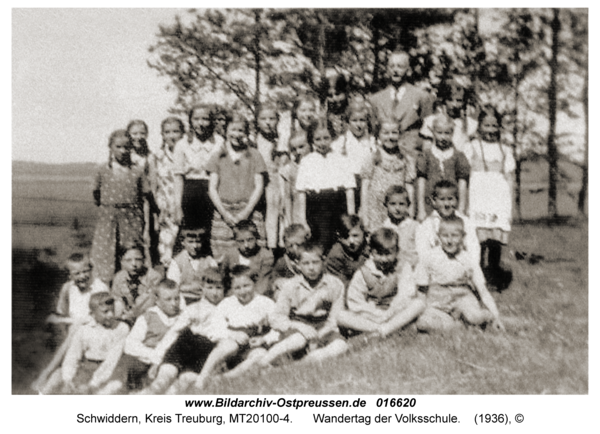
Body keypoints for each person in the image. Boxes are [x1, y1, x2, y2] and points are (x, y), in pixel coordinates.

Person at [261, 242, 348, 366]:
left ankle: (304, 363)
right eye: (306, 263)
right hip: (297, 327)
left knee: (341, 346)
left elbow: (335, 317)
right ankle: (264, 362)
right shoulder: (290, 286)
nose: (311, 268)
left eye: (315, 262)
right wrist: (299, 327)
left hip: (323, 327)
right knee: (298, 340)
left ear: (323, 261)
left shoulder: (334, 284)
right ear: (298, 265)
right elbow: (277, 318)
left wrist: (319, 335)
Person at [152, 267, 235, 393]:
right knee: (162, 380)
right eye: (210, 288)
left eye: (219, 288)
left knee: (179, 387)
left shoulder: (228, 309)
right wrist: (157, 360)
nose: (214, 293)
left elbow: (221, 335)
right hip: (183, 348)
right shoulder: (193, 309)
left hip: (203, 355)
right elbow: (174, 332)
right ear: (202, 288)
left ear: (225, 289)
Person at [415, 216, 504, 332]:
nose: (450, 241)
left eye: (455, 236)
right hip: (437, 302)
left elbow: (482, 290)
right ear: (438, 236)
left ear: (463, 237)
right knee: (423, 323)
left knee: (474, 317)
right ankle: (457, 325)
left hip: (463, 299)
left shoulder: (468, 259)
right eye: (445, 236)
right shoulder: (429, 257)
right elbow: (422, 289)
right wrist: (422, 309)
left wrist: (496, 315)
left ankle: (483, 318)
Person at [338, 228, 425, 337]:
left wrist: (391, 311)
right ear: (371, 252)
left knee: (418, 304)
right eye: (379, 254)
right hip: (371, 316)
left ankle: (386, 329)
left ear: (397, 251)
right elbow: (355, 301)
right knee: (341, 316)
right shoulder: (364, 272)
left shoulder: (402, 267)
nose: (384, 259)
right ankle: (383, 329)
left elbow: (406, 294)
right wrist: (376, 314)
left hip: (395, 312)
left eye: (388, 254)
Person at [464, 106, 515, 286]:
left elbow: (509, 178)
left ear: (499, 127)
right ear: (479, 127)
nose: (491, 130)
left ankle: (493, 272)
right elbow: (466, 175)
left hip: (497, 199)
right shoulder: (472, 147)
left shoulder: (505, 150)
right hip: (479, 198)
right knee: (478, 239)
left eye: (495, 126)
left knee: (494, 240)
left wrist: (508, 205)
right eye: (487, 126)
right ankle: (477, 275)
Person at [39, 292, 130, 395]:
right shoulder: (84, 329)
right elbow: (72, 355)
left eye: (112, 310)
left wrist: (93, 384)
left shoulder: (121, 328)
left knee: (110, 389)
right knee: (57, 376)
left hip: (111, 373)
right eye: (105, 312)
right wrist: (67, 379)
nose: (111, 315)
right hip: (87, 368)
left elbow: (112, 361)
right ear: (92, 314)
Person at [90, 129, 149, 283]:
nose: (123, 151)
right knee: (105, 255)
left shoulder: (137, 170)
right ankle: (104, 291)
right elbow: (96, 194)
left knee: (131, 254)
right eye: (119, 147)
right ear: (110, 147)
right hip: (108, 219)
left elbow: (145, 197)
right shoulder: (102, 170)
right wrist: (109, 208)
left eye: (127, 147)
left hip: (131, 220)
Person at [206, 112, 267, 258]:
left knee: (252, 251)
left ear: (246, 133)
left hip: (249, 210)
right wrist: (225, 214)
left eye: (241, 130)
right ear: (225, 131)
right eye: (233, 130)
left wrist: (246, 213)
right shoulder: (218, 156)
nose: (237, 134)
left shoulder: (254, 155)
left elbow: (259, 186)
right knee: (223, 255)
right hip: (224, 212)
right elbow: (212, 189)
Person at [295, 117, 356, 253]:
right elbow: (301, 193)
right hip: (316, 209)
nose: (322, 143)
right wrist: (303, 220)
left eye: (326, 138)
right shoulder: (306, 161)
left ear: (332, 137)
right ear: (311, 140)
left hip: (338, 206)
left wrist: (351, 216)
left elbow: (350, 189)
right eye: (318, 139)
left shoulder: (341, 159)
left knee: (340, 244)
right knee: (320, 245)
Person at [120, 279, 183, 393]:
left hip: (172, 361)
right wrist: (152, 355)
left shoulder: (183, 317)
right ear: (157, 300)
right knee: (135, 366)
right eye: (168, 299)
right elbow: (130, 344)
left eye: (177, 298)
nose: (174, 303)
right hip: (148, 359)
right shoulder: (148, 317)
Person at [218, 265, 280, 378]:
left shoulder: (265, 303)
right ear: (231, 288)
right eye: (237, 288)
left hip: (254, 346)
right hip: (233, 347)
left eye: (246, 286)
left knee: (261, 355)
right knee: (224, 347)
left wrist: (264, 339)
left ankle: (228, 377)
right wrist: (232, 334)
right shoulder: (226, 304)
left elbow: (278, 328)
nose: (242, 291)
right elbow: (215, 327)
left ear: (254, 283)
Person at [369, 50, 434, 158]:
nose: (395, 70)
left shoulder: (421, 96)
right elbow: (373, 133)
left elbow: (428, 133)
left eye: (400, 66)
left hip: (411, 155)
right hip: (384, 156)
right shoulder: (375, 99)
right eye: (392, 66)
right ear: (387, 69)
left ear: (408, 70)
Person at [173, 104, 224, 232]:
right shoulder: (182, 144)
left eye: (205, 119)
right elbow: (178, 178)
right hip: (190, 195)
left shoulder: (220, 142)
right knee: (192, 235)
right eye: (196, 119)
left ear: (212, 121)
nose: (200, 123)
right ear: (190, 120)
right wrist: (178, 207)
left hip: (215, 192)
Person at [360, 116, 416, 229]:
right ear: (378, 134)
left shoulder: (405, 158)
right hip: (375, 210)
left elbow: (409, 187)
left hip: (398, 210)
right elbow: (365, 188)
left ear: (400, 134)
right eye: (385, 133)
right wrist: (365, 216)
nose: (390, 137)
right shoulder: (373, 157)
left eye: (394, 133)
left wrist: (411, 211)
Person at [416, 113, 470, 221]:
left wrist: (461, 208)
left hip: (451, 204)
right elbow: (421, 182)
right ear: (433, 132)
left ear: (452, 133)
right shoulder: (426, 155)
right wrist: (421, 209)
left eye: (447, 133)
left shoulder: (459, 156)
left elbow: (462, 183)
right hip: (430, 204)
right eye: (439, 133)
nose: (443, 137)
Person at [416, 180, 480, 265]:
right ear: (434, 201)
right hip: (435, 269)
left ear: (457, 200)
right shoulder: (426, 225)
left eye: (450, 199)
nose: (446, 204)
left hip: (461, 266)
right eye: (442, 199)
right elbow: (423, 256)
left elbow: (474, 252)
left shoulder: (465, 222)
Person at [149, 117, 185, 266]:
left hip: (184, 205)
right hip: (165, 209)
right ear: (162, 135)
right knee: (166, 250)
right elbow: (153, 186)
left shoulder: (187, 153)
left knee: (185, 248)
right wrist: (156, 213)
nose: (172, 136)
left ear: (183, 133)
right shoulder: (157, 156)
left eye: (176, 131)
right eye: (167, 132)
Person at [47, 253, 109, 329]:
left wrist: (64, 320)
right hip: (74, 330)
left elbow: (102, 318)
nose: (82, 276)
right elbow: (62, 312)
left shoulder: (99, 287)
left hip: (95, 329)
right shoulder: (67, 288)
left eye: (85, 271)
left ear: (91, 270)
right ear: (69, 276)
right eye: (77, 273)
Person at [420, 79, 477, 154]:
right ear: (444, 101)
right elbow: (426, 150)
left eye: (459, 100)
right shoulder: (431, 121)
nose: (454, 105)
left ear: (464, 102)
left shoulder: (471, 124)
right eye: (450, 100)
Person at [111, 244, 162, 325]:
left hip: (148, 318)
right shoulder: (119, 277)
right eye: (128, 260)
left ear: (144, 260)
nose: (134, 264)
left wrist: (131, 314)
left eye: (138, 259)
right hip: (126, 318)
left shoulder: (154, 277)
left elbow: (149, 303)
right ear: (122, 261)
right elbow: (117, 300)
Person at [167, 227, 219, 305]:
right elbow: (172, 287)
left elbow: (215, 283)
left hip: (204, 300)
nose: (195, 246)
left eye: (198, 242)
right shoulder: (177, 262)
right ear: (183, 242)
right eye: (190, 242)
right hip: (183, 299)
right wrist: (191, 287)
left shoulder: (209, 261)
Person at [255, 103, 283, 249]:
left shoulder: (281, 140)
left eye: (272, 118)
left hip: (276, 185)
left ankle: (276, 248)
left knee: (276, 217)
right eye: (263, 118)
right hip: (259, 185)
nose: (268, 122)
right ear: (257, 121)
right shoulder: (253, 141)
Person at [221, 220, 274, 296]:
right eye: (241, 241)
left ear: (256, 237)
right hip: (234, 295)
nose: (246, 245)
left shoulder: (265, 256)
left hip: (255, 295)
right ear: (235, 241)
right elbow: (223, 278)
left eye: (250, 240)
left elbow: (263, 285)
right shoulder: (230, 254)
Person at [265, 223, 309, 300]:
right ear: (285, 246)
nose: (295, 249)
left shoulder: (312, 257)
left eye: (299, 245)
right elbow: (274, 277)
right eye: (290, 246)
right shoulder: (283, 261)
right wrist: (277, 281)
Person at [325, 214, 369, 288]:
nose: (351, 241)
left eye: (355, 236)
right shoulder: (336, 255)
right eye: (345, 237)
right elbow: (339, 285)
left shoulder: (370, 248)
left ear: (363, 233)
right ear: (338, 237)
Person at [381, 185, 419, 268]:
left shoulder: (415, 226)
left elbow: (421, 252)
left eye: (401, 204)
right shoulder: (383, 228)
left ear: (408, 205)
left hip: (411, 267)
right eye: (393, 204)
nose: (397, 208)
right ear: (386, 205)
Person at [279, 130, 311, 227]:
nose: (298, 151)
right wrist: (289, 221)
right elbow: (288, 197)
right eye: (293, 149)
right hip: (297, 212)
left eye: (301, 147)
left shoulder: (316, 164)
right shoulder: (290, 168)